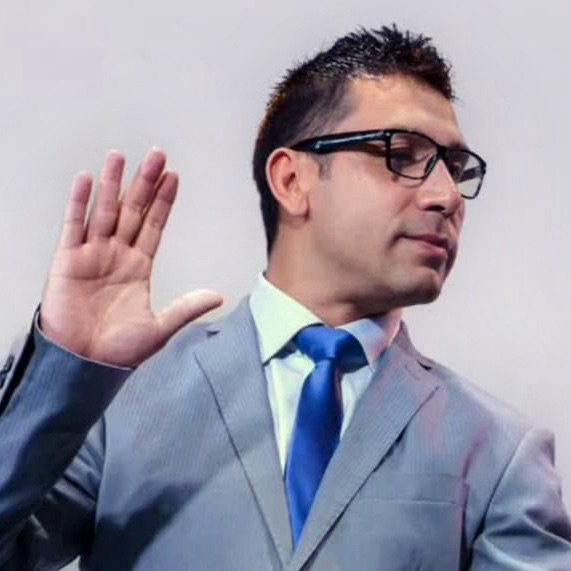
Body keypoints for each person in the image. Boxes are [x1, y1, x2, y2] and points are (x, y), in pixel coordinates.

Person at [0, 24, 570, 570]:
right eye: (402, 154)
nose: (447, 196)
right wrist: (62, 369)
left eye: (456, 168)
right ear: (292, 181)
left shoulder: (500, 451)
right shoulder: (118, 398)